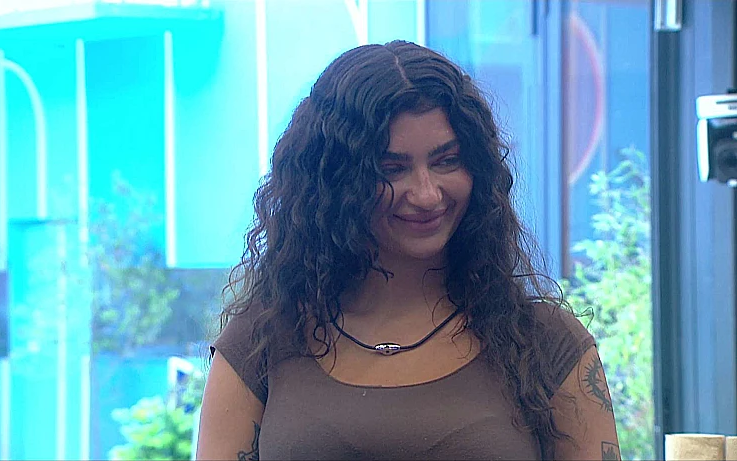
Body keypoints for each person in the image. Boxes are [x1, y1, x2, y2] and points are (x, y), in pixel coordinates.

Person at [196, 40, 620, 461]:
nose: (426, 193)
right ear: (334, 183)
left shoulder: (546, 344)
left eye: (446, 161)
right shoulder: (260, 343)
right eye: (391, 169)